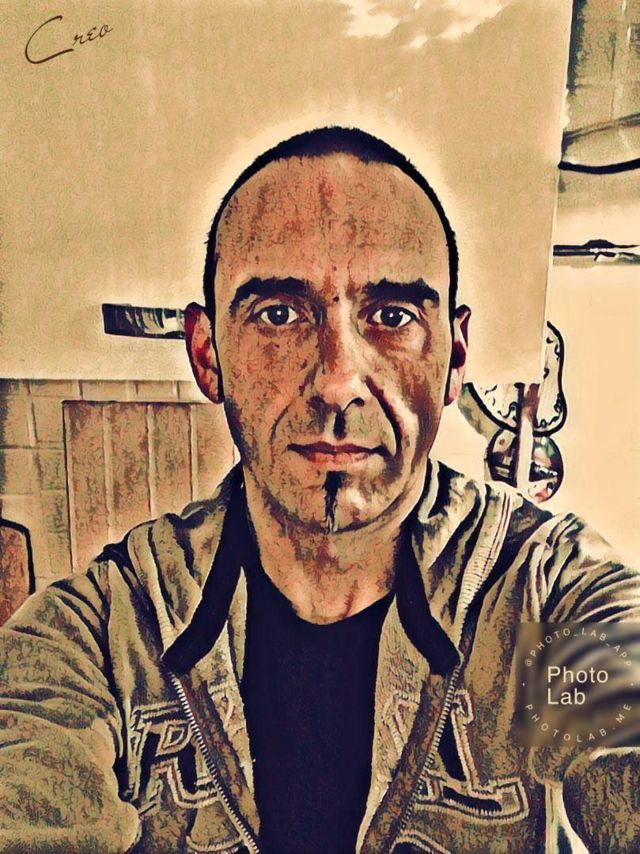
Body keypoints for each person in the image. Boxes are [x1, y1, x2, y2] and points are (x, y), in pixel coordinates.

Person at [0, 127, 638, 854]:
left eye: (392, 317)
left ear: (455, 355)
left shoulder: (548, 592)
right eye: (278, 314)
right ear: (208, 355)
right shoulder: (100, 633)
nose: (337, 381)